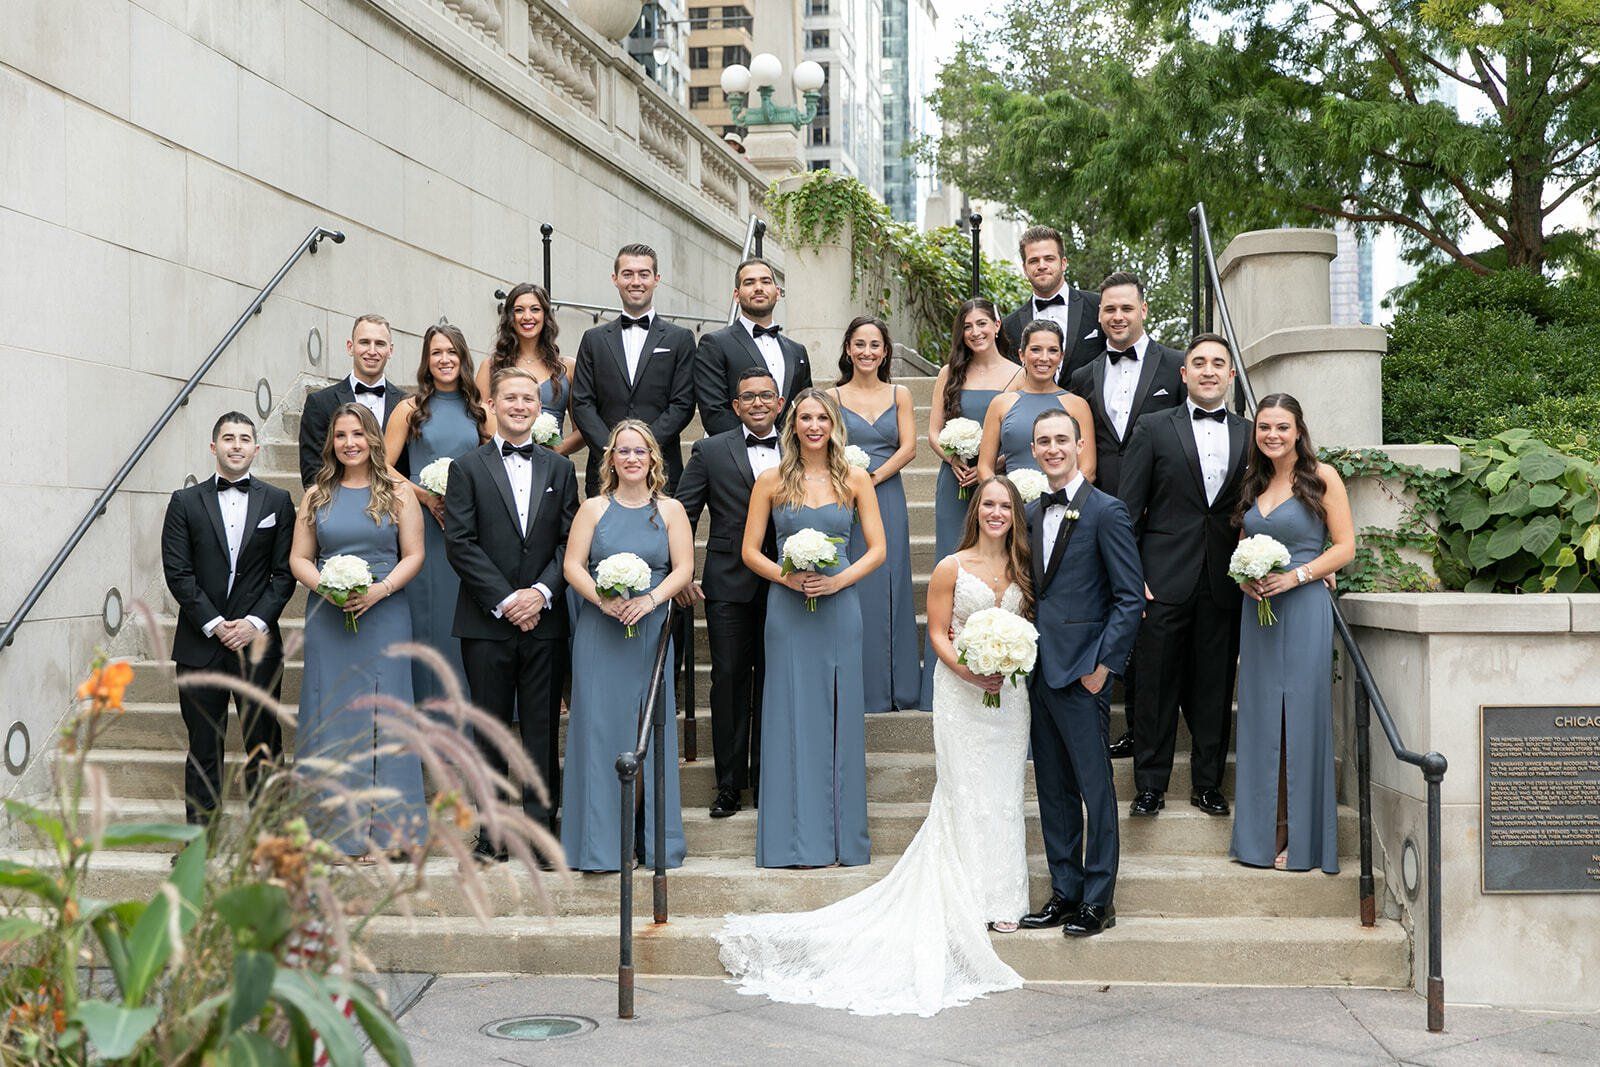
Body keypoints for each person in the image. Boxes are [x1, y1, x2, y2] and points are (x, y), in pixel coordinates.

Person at [716, 477, 1034, 1016]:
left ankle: (1004, 898)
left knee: (1004, 794)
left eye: (1005, 506)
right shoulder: (949, 567)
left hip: (1010, 695)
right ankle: (966, 896)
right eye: (988, 505)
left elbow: (1030, 627)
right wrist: (969, 670)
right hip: (962, 690)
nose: (996, 513)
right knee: (962, 790)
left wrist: (1006, 665)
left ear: (1015, 515)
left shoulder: (1027, 570)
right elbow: (936, 634)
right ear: (975, 511)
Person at [742, 389, 884, 868]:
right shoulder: (771, 480)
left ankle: (842, 840)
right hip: (786, 606)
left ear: (834, 424)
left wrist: (839, 580)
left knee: (838, 713)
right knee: (787, 713)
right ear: (793, 424)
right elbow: (750, 552)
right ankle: (790, 841)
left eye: (823, 417)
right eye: (805, 417)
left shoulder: (857, 479)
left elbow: (878, 549)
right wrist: (786, 575)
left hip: (840, 606)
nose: (814, 425)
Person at [443, 367, 578, 855]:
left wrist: (540, 593)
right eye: (510, 399)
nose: (520, 406)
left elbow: (569, 542)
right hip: (486, 621)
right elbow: (460, 543)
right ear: (492, 406)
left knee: (542, 727)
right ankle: (493, 833)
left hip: (545, 620)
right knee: (490, 727)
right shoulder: (467, 468)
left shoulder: (560, 470)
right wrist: (505, 600)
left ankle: (542, 833)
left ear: (539, 408)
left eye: (528, 399)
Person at [1018, 408, 1143, 936]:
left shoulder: (1106, 512)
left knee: (1094, 789)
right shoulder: (1028, 513)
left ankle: (1099, 899)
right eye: (1043, 441)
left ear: (1078, 444)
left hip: (1083, 672)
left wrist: (1103, 667)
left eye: (1060, 440)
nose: (1052, 449)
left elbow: (1129, 597)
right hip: (1037, 670)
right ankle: (1064, 891)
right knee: (1052, 788)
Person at [1118, 335, 1248, 819]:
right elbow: (1127, 512)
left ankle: (1208, 784)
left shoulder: (1252, 432)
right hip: (1160, 578)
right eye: (1199, 363)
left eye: (1218, 363)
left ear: (1231, 375)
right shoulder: (1152, 427)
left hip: (1222, 582)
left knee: (1214, 687)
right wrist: (1134, 580)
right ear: (1184, 373)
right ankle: (1149, 785)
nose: (1209, 370)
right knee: (1154, 685)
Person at [289, 403, 426, 858]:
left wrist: (380, 590)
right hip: (329, 616)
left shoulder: (398, 492)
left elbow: (414, 555)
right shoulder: (316, 494)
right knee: (330, 716)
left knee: (385, 718)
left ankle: (389, 835)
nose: (349, 443)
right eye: (341, 435)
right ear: (331, 442)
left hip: (385, 612)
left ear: (373, 438)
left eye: (358, 434)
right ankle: (330, 831)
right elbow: (299, 559)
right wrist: (325, 588)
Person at [560, 422, 695, 871]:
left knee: (645, 734)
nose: (632, 458)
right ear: (611, 458)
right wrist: (604, 600)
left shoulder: (671, 510)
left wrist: (651, 600)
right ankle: (601, 846)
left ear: (653, 458)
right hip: (601, 632)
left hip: (650, 628)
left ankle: (640, 840)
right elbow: (573, 566)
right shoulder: (593, 509)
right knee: (600, 735)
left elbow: (683, 569)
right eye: (624, 451)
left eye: (640, 451)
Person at [1230, 394, 1354, 873]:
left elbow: (1345, 547)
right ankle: (1263, 834)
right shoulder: (1255, 480)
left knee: (1300, 718)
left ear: (1299, 430)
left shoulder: (1322, 477)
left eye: (1282, 427)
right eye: (1264, 428)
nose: (1272, 436)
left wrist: (1299, 576)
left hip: (1303, 608)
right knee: (1262, 720)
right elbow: (1242, 547)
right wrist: (1244, 577)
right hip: (1258, 611)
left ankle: (1302, 840)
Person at [1067, 272, 1184, 760]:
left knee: (1146, 621)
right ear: (1099, 315)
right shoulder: (1081, 377)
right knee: (1102, 612)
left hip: (1159, 518)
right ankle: (1090, 725)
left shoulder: (1176, 366)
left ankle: (1144, 730)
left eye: (1126, 309)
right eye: (1109, 310)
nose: (1118, 317)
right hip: (1098, 512)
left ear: (1144, 310)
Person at [160, 412, 296, 825]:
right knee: (203, 743)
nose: (236, 445)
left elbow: (284, 573)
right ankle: (200, 840)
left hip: (257, 643)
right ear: (213, 446)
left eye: (244, 438)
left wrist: (253, 622)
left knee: (264, 741)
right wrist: (215, 623)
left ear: (256, 448)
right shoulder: (184, 502)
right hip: (200, 644)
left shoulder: (278, 502)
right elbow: (178, 572)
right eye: (228, 438)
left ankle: (269, 836)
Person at [674, 367, 786, 818]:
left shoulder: (803, 445)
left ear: (780, 404)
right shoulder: (710, 449)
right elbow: (683, 512)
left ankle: (768, 779)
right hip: (728, 585)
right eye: (748, 398)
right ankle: (729, 784)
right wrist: (682, 573)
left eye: (766, 396)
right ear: (735, 406)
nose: (758, 403)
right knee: (729, 682)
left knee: (777, 682)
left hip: (791, 583)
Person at [383, 325, 490, 710]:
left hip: (465, 525)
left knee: (457, 619)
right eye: (436, 353)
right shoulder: (410, 409)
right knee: (426, 617)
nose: (444, 359)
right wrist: (425, 497)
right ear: (426, 361)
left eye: (451, 352)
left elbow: (497, 460)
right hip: (423, 524)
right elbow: (382, 465)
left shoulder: (478, 409)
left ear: (462, 358)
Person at [923, 299, 1020, 699]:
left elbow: (1015, 433)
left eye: (983, 323)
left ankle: (996, 660)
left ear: (998, 325)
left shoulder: (1017, 374)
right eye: (967, 326)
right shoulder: (950, 372)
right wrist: (953, 458)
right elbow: (932, 431)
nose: (976, 332)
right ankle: (952, 673)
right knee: (953, 571)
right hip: (954, 483)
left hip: (995, 482)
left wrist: (986, 462)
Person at [832, 316, 921, 713]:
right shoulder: (831, 398)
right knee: (856, 582)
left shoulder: (899, 394)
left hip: (885, 493)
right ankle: (858, 685)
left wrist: (872, 478)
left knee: (892, 580)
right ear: (848, 349)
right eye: (859, 344)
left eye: (875, 345)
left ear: (885, 352)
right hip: (844, 499)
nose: (867, 352)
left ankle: (896, 687)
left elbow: (909, 447)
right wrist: (850, 484)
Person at [570, 243, 698, 494]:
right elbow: (582, 402)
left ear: (656, 279)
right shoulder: (593, 339)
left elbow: (683, 403)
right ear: (615, 279)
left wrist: (643, 448)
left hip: (662, 469)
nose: (635, 281)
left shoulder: (680, 339)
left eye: (644, 274)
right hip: (604, 469)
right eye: (627, 274)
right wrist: (614, 449)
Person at [695, 257, 812, 436]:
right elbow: (714, 412)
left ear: (778, 292)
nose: (758, 287)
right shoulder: (715, 344)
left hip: (790, 456)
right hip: (736, 455)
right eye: (749, 282)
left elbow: (806, 408)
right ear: (736, 295)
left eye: (766, 281)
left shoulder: (797, 351)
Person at [976, 320, 1096, 482]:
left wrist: (1059, 500)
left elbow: (1088, 469)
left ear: (1061, 357)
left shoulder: (1077, 406)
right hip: (1011, 502)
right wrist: (1005, 500)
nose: (1044, 358)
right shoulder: (1001, 404)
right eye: (1035, 350)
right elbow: (984, 468)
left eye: (1052, 351)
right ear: (1021, 355)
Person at [299, 314, 410, 487]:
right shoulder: (320, 403)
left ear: (390, 350)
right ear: (350, 347)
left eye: (380, 344)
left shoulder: (406, 403)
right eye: (364, 342)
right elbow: (313, 472)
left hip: (396, 508)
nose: (372, 351)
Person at [476, 282, 583, 456]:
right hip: (503, 464)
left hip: (552, 468)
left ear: (546, 315)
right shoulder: (490, 366)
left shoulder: (568, 368)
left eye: (535, 309)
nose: (527, 316)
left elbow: (584, 428)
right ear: (510, 317)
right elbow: (479, 424)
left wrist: (557, 451)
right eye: (519, 310)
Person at [999, 226, 1102, 381]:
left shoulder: (1099, 307)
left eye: (1049, 258)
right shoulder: (1009, 327)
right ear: (1025, 269)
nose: (1042, 265)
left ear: (1063, 263)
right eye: (1034, 261)